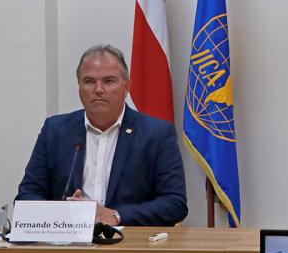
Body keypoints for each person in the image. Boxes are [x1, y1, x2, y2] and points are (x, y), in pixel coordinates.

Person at [16, 44, 187, 226]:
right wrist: (63, 215)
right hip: (68, 244)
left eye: (109, 81)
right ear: (79, 86)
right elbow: (27, 196)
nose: (98, 89)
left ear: (126, 86)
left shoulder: (157, 133)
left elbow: (175, 204)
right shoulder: (55, 130)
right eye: (89, 81)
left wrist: (115, 216)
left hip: (130, 245)